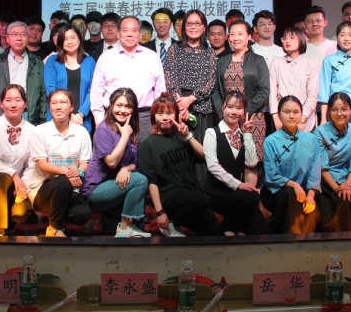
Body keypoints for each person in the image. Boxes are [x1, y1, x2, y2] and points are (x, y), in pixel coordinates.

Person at [140, 93, 221, 237]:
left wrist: (188, 136)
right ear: (153, 116)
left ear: (176, 115)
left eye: (169, 113)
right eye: (160, 113)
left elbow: (205, 156)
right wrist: (160, 212)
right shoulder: (148, 145)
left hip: (192, 196)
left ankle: (176, 222)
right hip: (170, 196)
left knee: (215, 233)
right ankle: (173, 222)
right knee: (206, 199)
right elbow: (152, 182)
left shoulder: (181, 137)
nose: (165, 117)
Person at [82, 88, 150, 237]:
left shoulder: (131, 130)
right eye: (119, 105)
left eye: (128, 106)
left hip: (117, 186)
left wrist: (125, 169)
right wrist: (124, 136)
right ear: (111, 106)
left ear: (133, 110)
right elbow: (111, 162)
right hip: (96, 190)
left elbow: (134, 164)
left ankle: (108, 220)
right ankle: (124, 227)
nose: (123, 110)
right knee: (140, 180)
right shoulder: (103, 129)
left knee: (140, 225)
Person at [25, 89, 92, 237]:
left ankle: (58, 215)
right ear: (50, 107)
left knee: (82, 214)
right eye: (54, 103)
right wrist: (69, 173)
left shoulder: (81, 132)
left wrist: (79, 172)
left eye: (63, 102)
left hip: (70, 188)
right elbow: (42, 165)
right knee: (63, 181)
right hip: (42, 188)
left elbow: (84, 163)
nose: (58, 107)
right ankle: (55, 227)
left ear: (71, 107)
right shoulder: (40, 131)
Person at [91, 16, 166, 144]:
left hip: (144, 118)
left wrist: (157, 119)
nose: (129, 34)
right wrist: (99, 120)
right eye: (125, 30)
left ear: (139, 34)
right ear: (118, 34)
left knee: (145, 155)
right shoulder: (106, 58)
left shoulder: (152, 57)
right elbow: (96, 92)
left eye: (134, 30)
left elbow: (160, 91)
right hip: (113, 117)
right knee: (114, 155)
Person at [202, 91, 264, 235]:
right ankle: (227, 227)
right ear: (222, 108)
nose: (234, 112)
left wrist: (248, 135)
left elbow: (251, 163)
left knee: (259, 228)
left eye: (239, 108)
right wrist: (238, 184)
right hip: (216, 193)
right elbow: (212, 166)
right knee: (252, 197)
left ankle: (233, 226)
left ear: (244, 111)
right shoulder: (212, 133)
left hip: (236, 194)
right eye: (230, 107)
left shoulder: (242, 135)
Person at [0, 85, 35, 236]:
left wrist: (22, 184)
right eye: (8, 100)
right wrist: (13, 175)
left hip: (16, 184)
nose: (13, 105)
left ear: (25, 104)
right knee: (4, 178)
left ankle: (8, 220)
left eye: (18, 100)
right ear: (1, 104)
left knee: (20, 212)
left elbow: (33, 165)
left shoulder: (32, 130)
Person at [262, 95, 323, 234]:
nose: (291, 116)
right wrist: (294, 185)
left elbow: (315, 171)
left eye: (295, 112)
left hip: (306, 190)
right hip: (278, 191)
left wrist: (311, 195)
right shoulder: (270, 141)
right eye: (287, 112)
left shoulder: (311, 139)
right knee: (289, 195)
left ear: (301, 115)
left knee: (314, 205)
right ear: (279, 115)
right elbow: (271, 175)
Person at [213, 20, 269, 161]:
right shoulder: (222, 61)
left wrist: (244, 112)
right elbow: (215, 90)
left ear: (249, 36)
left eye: (240, 34)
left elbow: (264, 89)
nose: (236, 38)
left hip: (252, 118)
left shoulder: (258, 60)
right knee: (230, 160)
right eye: (232, 34)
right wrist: (224, 113)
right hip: (228, 119)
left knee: (252, 160)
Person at [164, 9, 217, 143]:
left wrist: (192, 99)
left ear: (204, 27)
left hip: (202, 108)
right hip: (178, 107)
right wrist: (181, 105)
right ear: (184, 27)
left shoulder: (210, 52)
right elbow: (170, 78)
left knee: (201, 149)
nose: (193, 27)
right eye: (189, 23)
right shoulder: (174, 49)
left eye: (197, 23)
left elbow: (210, 81)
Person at [314, 92, 351, 232]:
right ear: (329, 111)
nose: (339, 114)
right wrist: (337, 188)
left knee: (347, 201)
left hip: (348, 180)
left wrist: (347, 186)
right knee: (327, 219)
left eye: (344, 109)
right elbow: (322, 166)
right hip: (326, 182)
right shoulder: (320, 132)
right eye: (335, 110)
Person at [0, 21, 46, 126]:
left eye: (23, 34)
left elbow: (43, 94)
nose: (19, 38)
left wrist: (42, 120)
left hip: (29, 116)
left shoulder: (37, 62)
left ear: (27, 38)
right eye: (15, 34)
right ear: (7, 38)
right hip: (3, 115)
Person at [43, 25, 96, 132]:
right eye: (65, 39)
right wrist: (69, 114)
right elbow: (51, 90)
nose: (69, 42)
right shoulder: (52, 61)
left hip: (82, 119)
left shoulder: (89, 61)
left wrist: (80, 114)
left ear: (79, 39)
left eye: (73, 37)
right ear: (60, 42)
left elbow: (93, 91)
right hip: (58, 117)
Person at [269, 26, 319, 132]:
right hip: (281, 119)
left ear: (301, 40)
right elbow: (272, 93)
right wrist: (275, 116)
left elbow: (312, 95)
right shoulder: (276, 63)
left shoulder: (310, 65)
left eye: (292, 38)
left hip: (305, 121)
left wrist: (302, 119)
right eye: (285, 38)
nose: (287, 41)